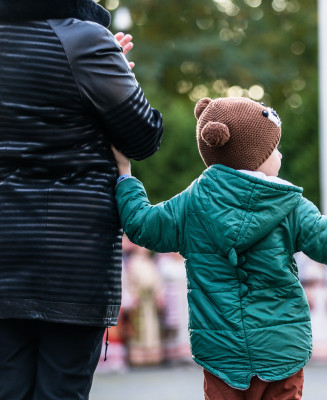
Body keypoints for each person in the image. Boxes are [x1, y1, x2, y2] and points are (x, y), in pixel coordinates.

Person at [111, 97, 327, 399]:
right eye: (274, 147)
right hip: (281, 346)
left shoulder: (190, 205)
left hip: (220, 349)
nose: (280, 155)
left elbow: (142, 225)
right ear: (254, 156)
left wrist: (124, 174)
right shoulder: (288, 205)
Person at [0, 1, 163, 399]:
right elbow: (144, 136)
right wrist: (115, 71)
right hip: (72, 255)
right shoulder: (84, 38)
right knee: (61, 390)